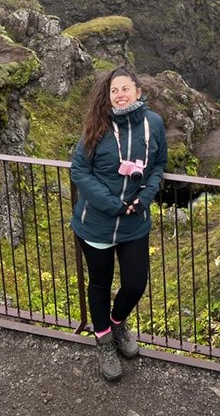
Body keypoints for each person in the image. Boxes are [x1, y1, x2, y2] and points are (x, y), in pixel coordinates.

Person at [70, 65, 168, 381]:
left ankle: (116, 323)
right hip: (96, 223)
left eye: (125, 88)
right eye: (114, 91)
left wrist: (148, 194)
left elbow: (158, 165)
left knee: (135, 283)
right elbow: (79, 171)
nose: (120, 95)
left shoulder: (154, 124)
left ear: (138, 91)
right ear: (108, 97)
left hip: (134, 223)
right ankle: (104, 343)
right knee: (99, 284)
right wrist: (113, 204)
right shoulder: (95, 127)